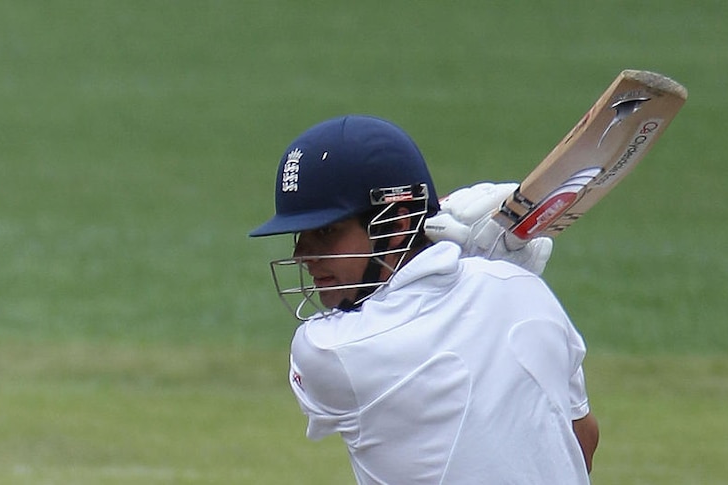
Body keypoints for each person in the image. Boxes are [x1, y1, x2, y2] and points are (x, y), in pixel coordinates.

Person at [249, 114, 599, 484]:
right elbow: (581, 445)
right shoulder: (525, 289)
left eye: (325, 231)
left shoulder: (329, 350)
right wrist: (494, 268)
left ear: (398, 225)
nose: (303, 254)